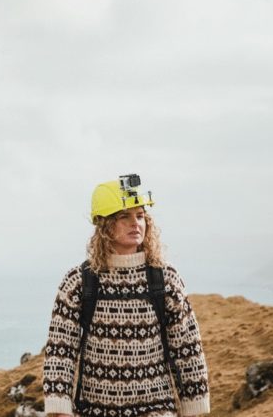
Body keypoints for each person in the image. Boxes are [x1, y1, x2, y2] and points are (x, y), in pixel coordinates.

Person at [42, 175, 210, 417]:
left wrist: (194, 407)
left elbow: (187, 347)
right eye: (125, 216)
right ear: (104, 225)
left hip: (156, 409)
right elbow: (61, 350)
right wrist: (60, 409)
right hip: (93, 411)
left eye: (140, 216)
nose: (136, 223)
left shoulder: (166, 278)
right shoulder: (78, 281)